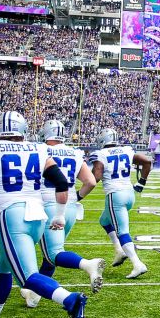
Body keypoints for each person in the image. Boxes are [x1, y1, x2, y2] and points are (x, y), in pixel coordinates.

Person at [0, 111, 90, 318]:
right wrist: (60, 214)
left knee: (27, 277)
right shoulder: (38, 148)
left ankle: (70, 300)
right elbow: (61, 182)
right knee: (2, 266)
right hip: (38, 214)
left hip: (11, 214)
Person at [19, 120, 105, 308]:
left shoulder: (41, 150)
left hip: (48, 204)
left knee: (53, 253)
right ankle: (34, 295)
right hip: (70, 206)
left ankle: (87, 264)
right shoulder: (74, 152)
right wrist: (77, 198)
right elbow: (90, 181)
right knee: (50, 253)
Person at [87, 128, 153, 279]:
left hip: (115, 195)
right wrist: (141, 182)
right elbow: (147, 161)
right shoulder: (126, 150)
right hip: (129, 194)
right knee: (104, 220)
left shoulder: (101, 154)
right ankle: (119, 250)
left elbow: (95, 177)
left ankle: (137, 264)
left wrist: (83, 178)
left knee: (122, 232)